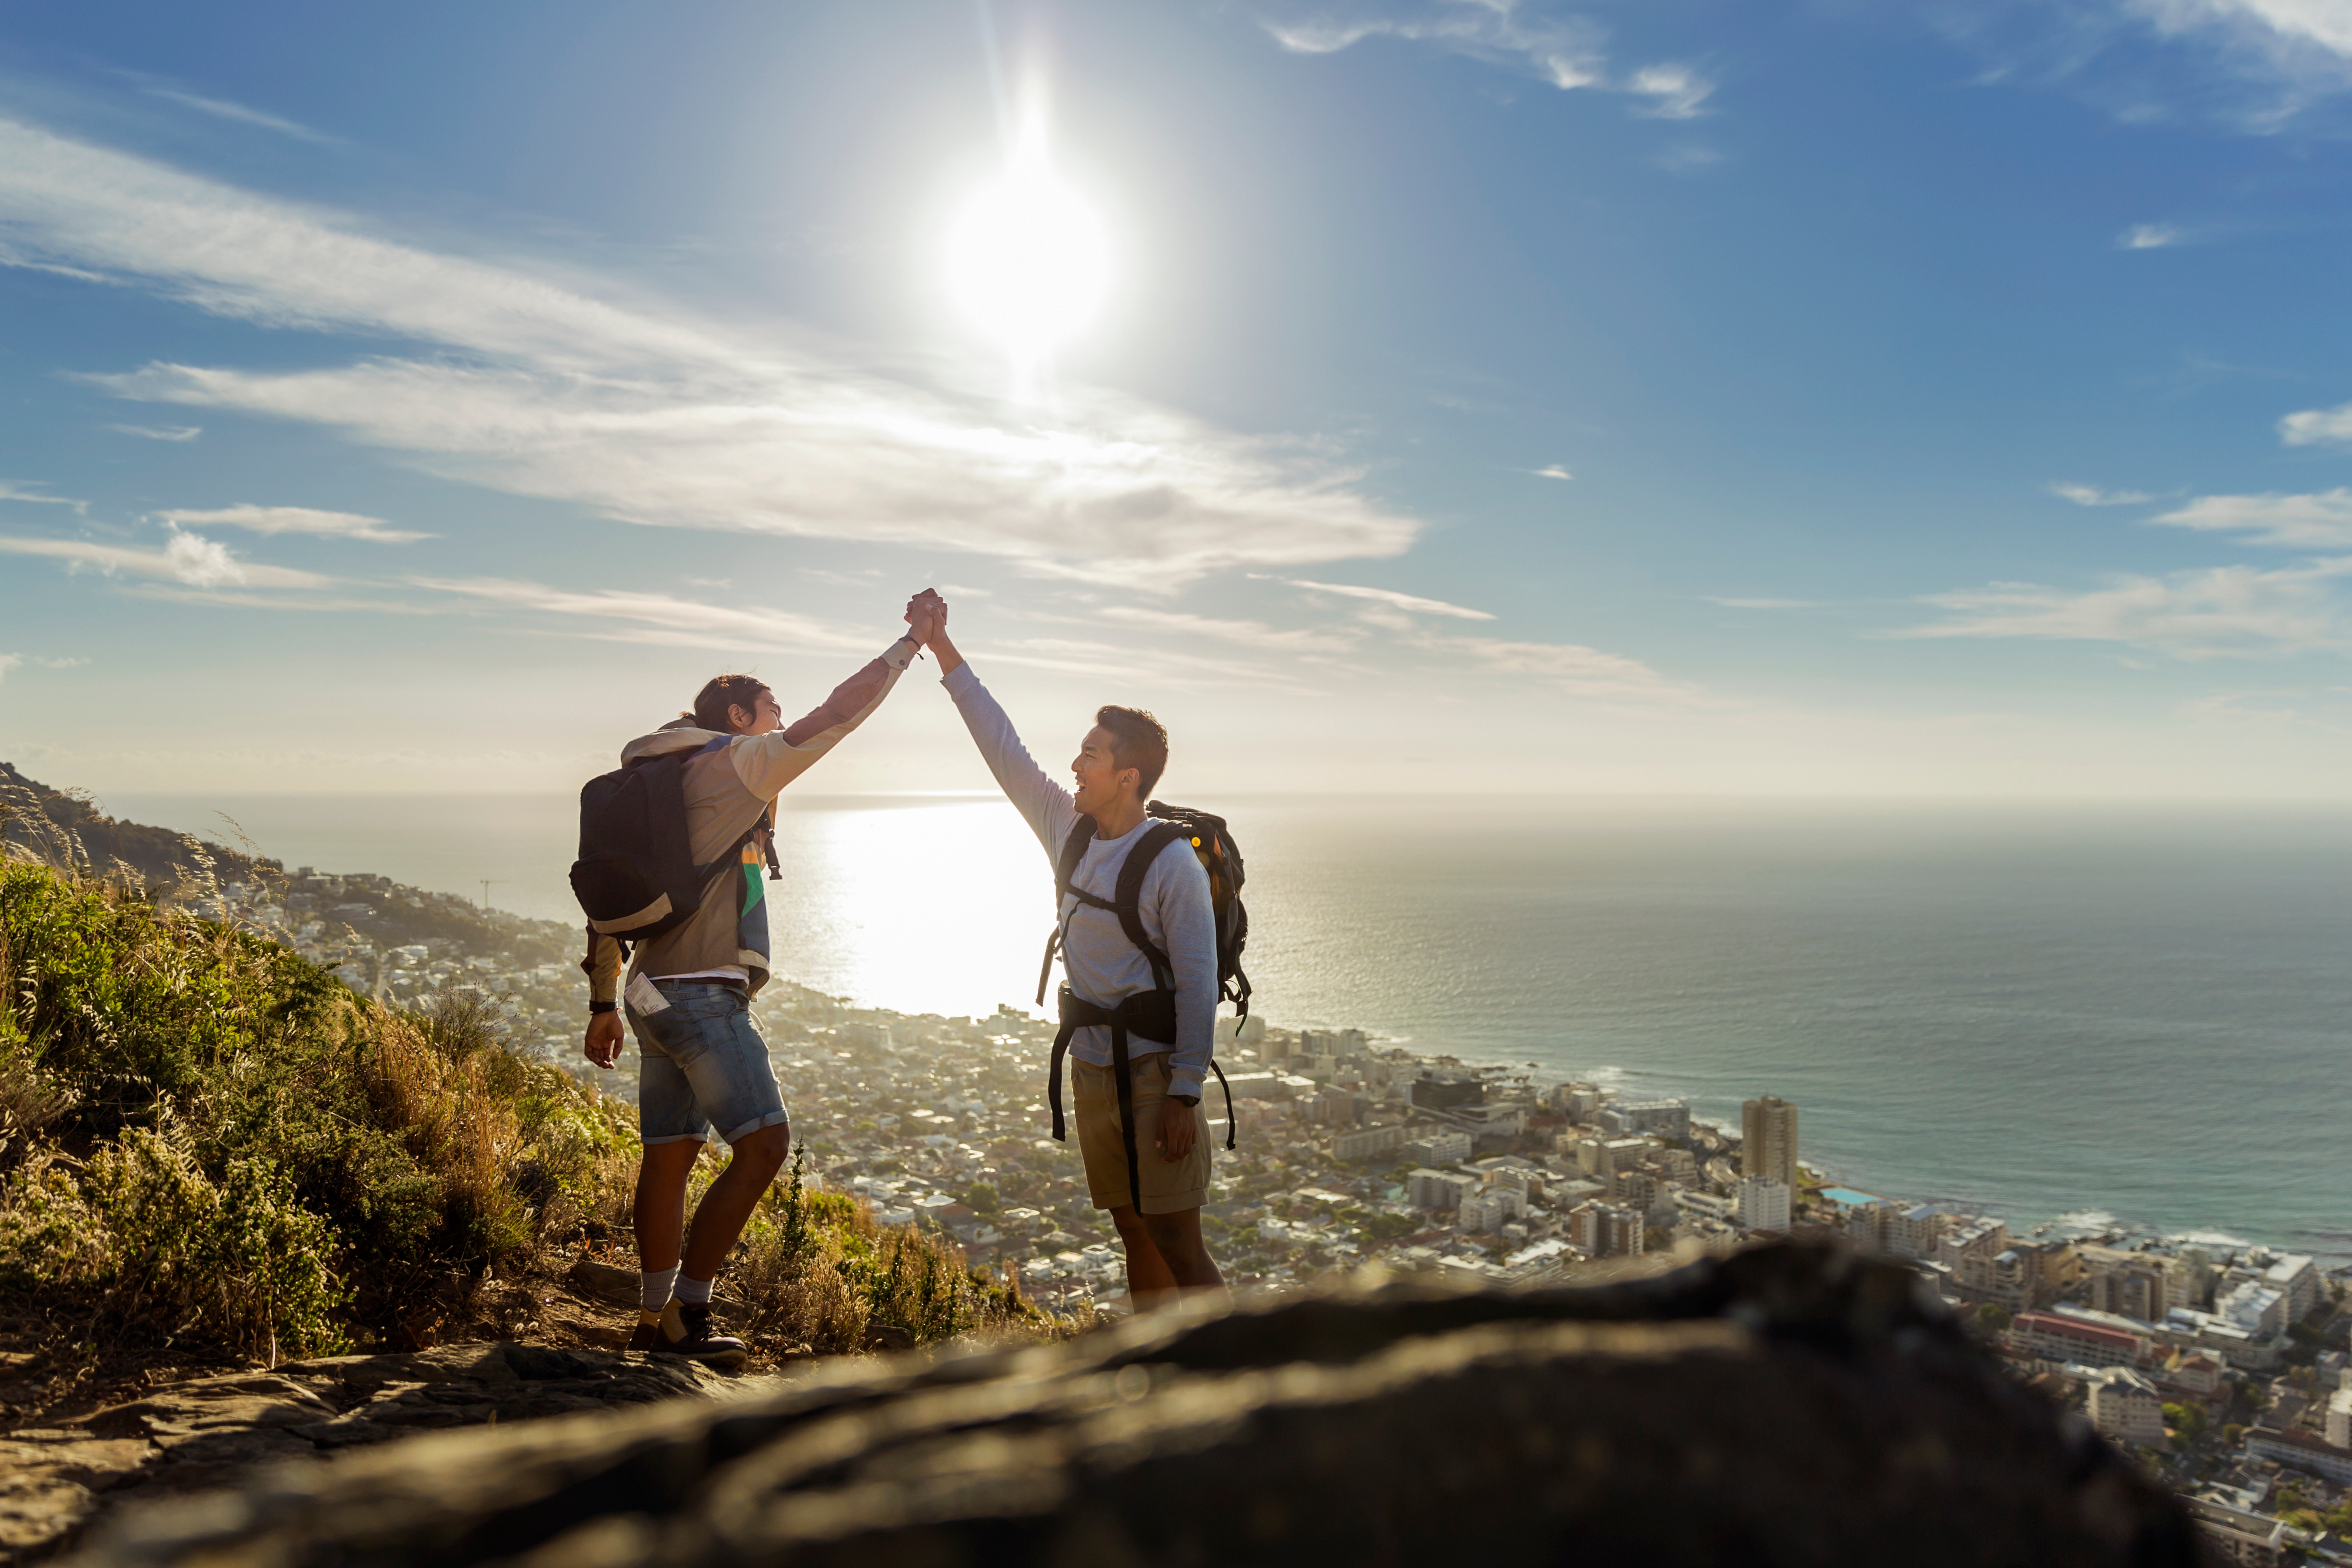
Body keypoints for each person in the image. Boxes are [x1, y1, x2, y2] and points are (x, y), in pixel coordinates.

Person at [582, 598, 936, 1364]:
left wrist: (605, 1001)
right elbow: (837, 716)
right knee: (766, 1146)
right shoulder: (738, 761)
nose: (779, 719)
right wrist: (912, 645)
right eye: (768, 708)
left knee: (668, 1158)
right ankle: (688, 1316)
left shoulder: (661, 778)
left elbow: (607, 894)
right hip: (703, 995)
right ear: (741, 716)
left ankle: (648, 1321)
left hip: (649, 996)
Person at [911, 591, 1225, 1311]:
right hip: (1091, 1065)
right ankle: (1159, 1365)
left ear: (1129, 776)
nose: (1074, 764)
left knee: (1177, 1236)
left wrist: (1185, 1091)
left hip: (1152, 1073)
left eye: (1091, 753)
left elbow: (1200, 984)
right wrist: (943, 650)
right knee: (1132, 1230)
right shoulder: (1070, 829)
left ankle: (1236, 1378)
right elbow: (1002, 746)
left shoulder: (1169, 861)